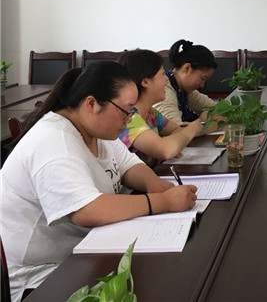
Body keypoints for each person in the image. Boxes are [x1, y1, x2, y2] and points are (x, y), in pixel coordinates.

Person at [0, 62, 197, 302]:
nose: (129, 120)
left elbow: (129, 165)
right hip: (41, 276)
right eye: (126, 111)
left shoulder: (97, 130)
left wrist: (155, 184)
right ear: (91, 104)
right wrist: (163, 201)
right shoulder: (54, 141)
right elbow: (88, 211)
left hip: (86, 250)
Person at [117, 49, 205, 168]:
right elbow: (165, 151)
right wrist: (193, 128)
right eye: (162, 74)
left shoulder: (151, 113)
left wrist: (175, 143)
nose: (167, 79)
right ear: (145, 82)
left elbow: (177, 130)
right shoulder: (129, 119)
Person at [154, 39, 217, 126]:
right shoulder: (164, 91)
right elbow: (175, 128)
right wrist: (204, 123)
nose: (202, 85)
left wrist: (202, 120)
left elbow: (212, 107)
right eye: (202, 78)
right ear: (187, 68)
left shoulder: (185, 90)